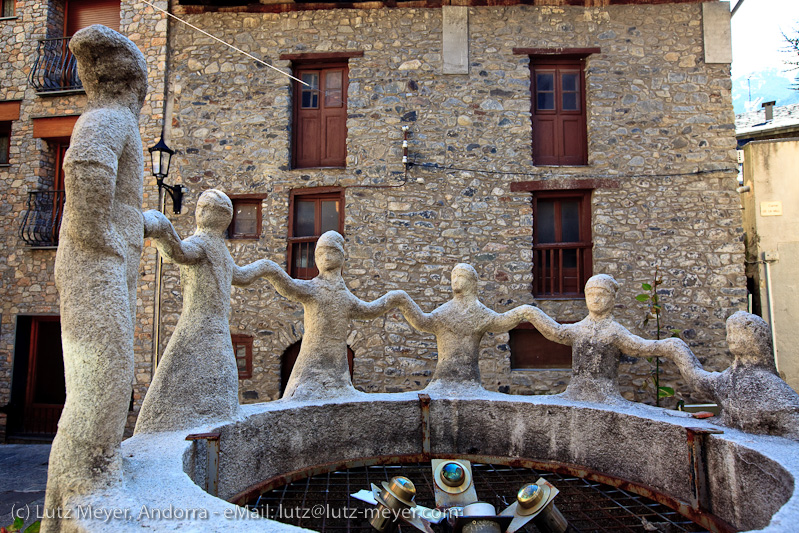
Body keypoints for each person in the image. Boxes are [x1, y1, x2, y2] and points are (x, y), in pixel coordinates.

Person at [44, 25, 148, 532]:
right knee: (105, 376)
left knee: (106, 375)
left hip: (109, 260)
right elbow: (86, 170)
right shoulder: (110, 118)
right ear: (134, 85)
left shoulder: (113, 119)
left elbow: (121, 200)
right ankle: (88, 477)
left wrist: (140, 226)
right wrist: (103, 240)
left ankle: (89, 474)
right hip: (97, 263)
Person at [134, 190, 275, 433]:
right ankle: (169, 426)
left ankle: (201, 425)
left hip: (209, 326)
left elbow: (235, 274)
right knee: (196, 375)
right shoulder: (205, 245)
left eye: (204, 208)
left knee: (209, 377)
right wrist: (159, 224)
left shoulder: (214, 247)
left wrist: (266, 267)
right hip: (204, 324)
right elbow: (177, 253)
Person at [261, 231, 407, 400]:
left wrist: (394, 298)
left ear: (341, 256)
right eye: (321, 253)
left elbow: (368, 310)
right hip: (309, 367)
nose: (326, 257)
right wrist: (268, 268)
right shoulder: (313, 289)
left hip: (338, 370)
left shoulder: (344, 296)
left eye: (331, 251)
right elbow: (288, 285)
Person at [522, 274, 665, 403]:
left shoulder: (615, 332)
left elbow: (642, 346)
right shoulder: (579, 329)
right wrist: (529, 312)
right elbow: (556, 331)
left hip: (607, 398)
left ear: (612, 299)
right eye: (590, 294)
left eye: (602, 294)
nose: (595, 299)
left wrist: (673, 346)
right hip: (575, 397)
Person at [654, 311, 799, 439]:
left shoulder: (766, 382)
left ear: (752, 337)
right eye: (728, 333)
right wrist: (675, 348)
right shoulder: (731, 377)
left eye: (735, 333)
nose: (729, 339)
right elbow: (699, 380)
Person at [396, 263, 529, 391]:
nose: (455, 280)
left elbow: (502, 321)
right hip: (441, 382)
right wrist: (400, 299)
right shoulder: (445, 311)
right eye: (453, 276)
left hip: (470, 382)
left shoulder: (480, 313)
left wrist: (527, 311)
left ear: (471, 282)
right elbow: (423, 321)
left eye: (460, 276)